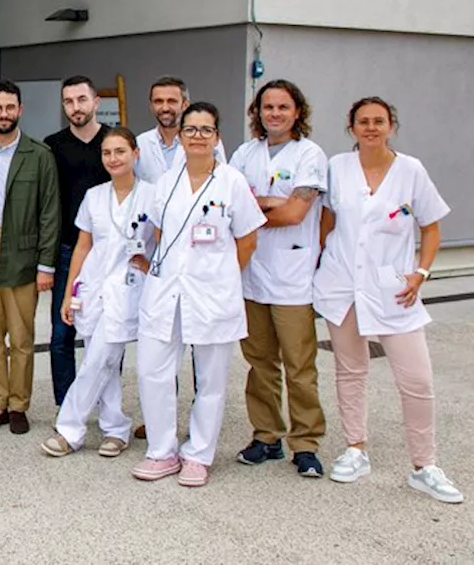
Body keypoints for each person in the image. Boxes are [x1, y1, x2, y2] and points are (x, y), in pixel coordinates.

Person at [313, 97, 463, 504]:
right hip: (341, 283)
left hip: (393, 285)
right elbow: (327, 223)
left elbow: (431, 227)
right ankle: (355, 449)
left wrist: (421, 272)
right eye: (363, 121)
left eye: (379, 121)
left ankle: (424, 465)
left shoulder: (410, 170)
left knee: (417, 380)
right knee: (350, 370)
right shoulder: (337, 167)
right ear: (352, 127)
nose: (371, 127)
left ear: (391, 125)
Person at [132, 102, 265, 488]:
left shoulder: (231, 182)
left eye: (206, 130)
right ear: (182, 136)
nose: (197, 137)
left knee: (210, 380)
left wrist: (218, 276)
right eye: (191, 129)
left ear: (217, 137)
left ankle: (198, 455)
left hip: (212, 294)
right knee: (152, 371)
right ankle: (161, 451)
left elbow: (248, 239)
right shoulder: (166, 182)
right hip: (165, 292)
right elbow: (154, 233)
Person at [229, 80, 328, 477]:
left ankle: (305, 443)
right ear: (258, 112)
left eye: (283, 107)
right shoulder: (244, 154)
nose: (274, 113)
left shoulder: (310, 155)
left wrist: (262, 204)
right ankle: (266, 435)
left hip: (292, 277)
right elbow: (232, 210)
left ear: (297, 112)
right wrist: (272, 201)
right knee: (259, 362)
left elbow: (294, 215)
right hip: (251, 275)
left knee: (299, 364)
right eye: (268, 107)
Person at [41, 127, 154, 459]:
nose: (113, 158)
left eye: (120, 151)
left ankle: (69, 429)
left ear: (136, 153)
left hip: (130, 288)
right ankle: (115, 428)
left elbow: (164, 241)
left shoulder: (153, 195)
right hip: (92, 287)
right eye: (107, 153)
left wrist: (151, 263)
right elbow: (82, 246)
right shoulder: (94, 195)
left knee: (99, 358)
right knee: (102, 358)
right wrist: (68, 293)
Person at [0, 80, 60, 434]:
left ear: (19, 110)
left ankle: (19, 404)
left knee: (21, 336)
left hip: (22, 250)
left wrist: (45, 265)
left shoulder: (39, 155)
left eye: (10, 107)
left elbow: (50, 212)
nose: (3, 114)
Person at [44, 75, 112, 407]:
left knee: (106, 333)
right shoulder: (52, 145)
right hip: (68, 249)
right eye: (69, 101)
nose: (76, 107)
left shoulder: (113, 143)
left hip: (108, 252)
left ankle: (105, 402)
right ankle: (68, 406)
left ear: (95, 102)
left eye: (81, 100)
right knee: (61, 333)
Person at [134, 76, 226, 184]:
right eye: (158, 101)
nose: (165, 108)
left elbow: (222, 179)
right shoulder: (141, 143)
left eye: (171, 101)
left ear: (185, 105)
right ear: (151, 106)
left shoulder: (204, 140)